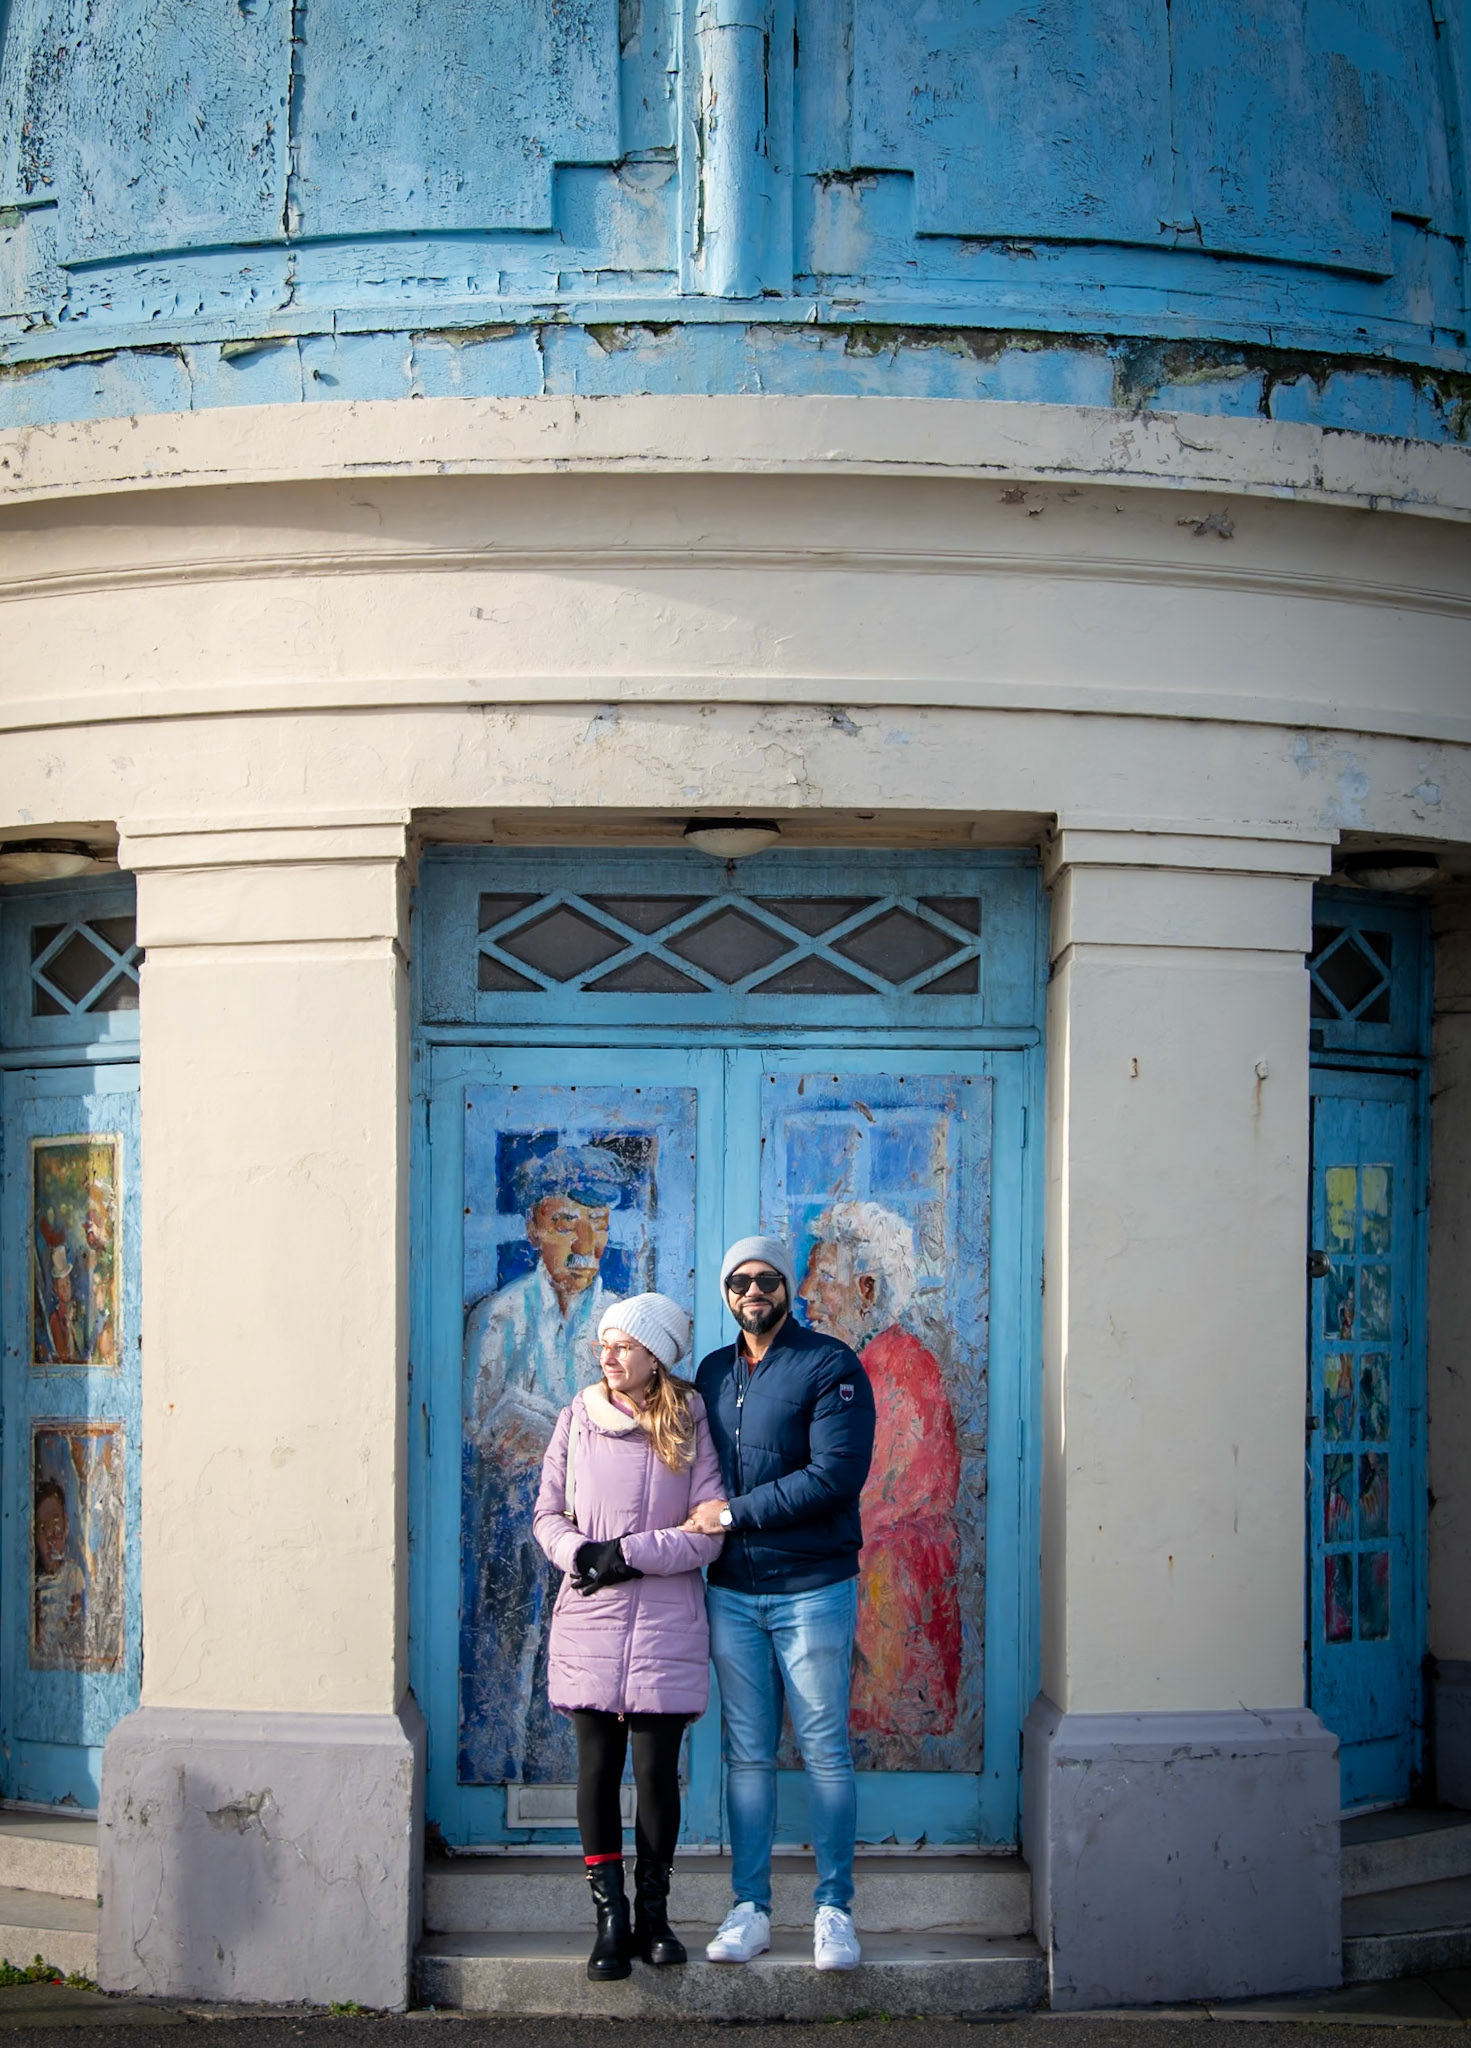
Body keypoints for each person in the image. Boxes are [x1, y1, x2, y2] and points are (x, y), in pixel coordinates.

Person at [687, 1234, 876, 1974]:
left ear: (787, 1288)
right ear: (725, 1293)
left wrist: (732, 1515)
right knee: (747, 1755)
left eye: (766, 1279)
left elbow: (836, 1475)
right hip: (732, 1593)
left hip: (812, 1589)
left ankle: (834, 1910)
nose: (752, 1292)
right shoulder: (712, 1371)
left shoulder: (829, 1365)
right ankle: (750, 1909)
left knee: (824, 1749)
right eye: (739, 1282)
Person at [533, 1291, 725, 1983]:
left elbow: (708, 1531)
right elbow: (547, 1515)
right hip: (590, 1615)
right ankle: (609, 1919)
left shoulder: (691, 1421)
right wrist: (584, 1555)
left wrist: (629, 1553)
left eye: (623, 1346)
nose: (607, 1356)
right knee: (595, 1769)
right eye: (604, 1345)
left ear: (656, 1357)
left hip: (666, 1624)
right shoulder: (576, 1418)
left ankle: (654, 1915)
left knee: (654, 1774)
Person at [461, 1143, 627, 1784]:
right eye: (565, 1224)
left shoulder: (619, 1325)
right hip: (510, 1526)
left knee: (579, 1669)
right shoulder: (498, 1318)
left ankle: (564, 1785)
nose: (586, 1246)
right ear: (533, 1228)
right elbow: (476, 1430)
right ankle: (492, 1783)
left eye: (599, 1225)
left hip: (591, 1529)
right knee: (501, 1657)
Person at [800, 1202, 961, 1757]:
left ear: (866, 1290)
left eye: (824, 1278)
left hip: (887, 1616)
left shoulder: (898, 1372)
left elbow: (858, 1499)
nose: (805, 1293)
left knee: (878, 1743)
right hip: (865, 1603)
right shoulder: (858, 1366)